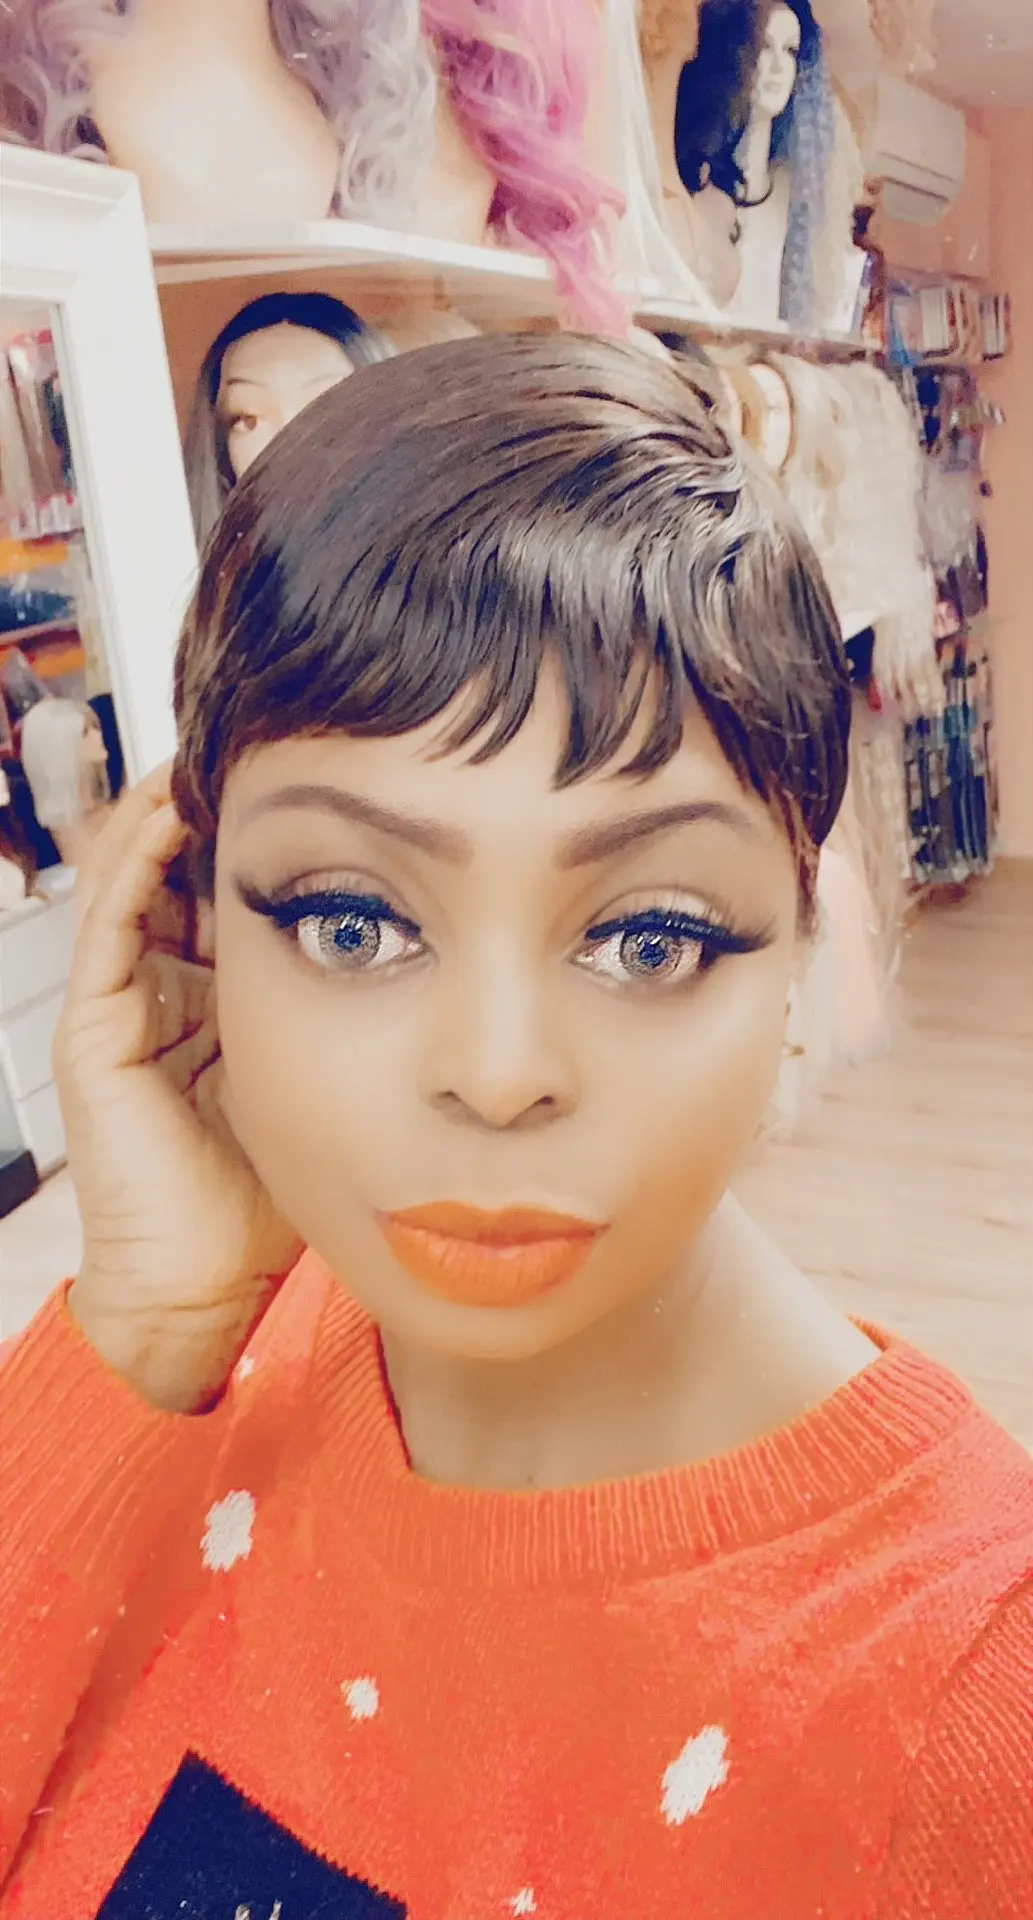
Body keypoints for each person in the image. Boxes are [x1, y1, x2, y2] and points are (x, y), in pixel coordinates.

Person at [1, 335, 1029, 1917]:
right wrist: (141, 1324)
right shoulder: (178, 1378)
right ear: (189, 915)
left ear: (799, 953)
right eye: (353, 922)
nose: (496, 1077)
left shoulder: (968, 1703)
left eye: (650, 937)